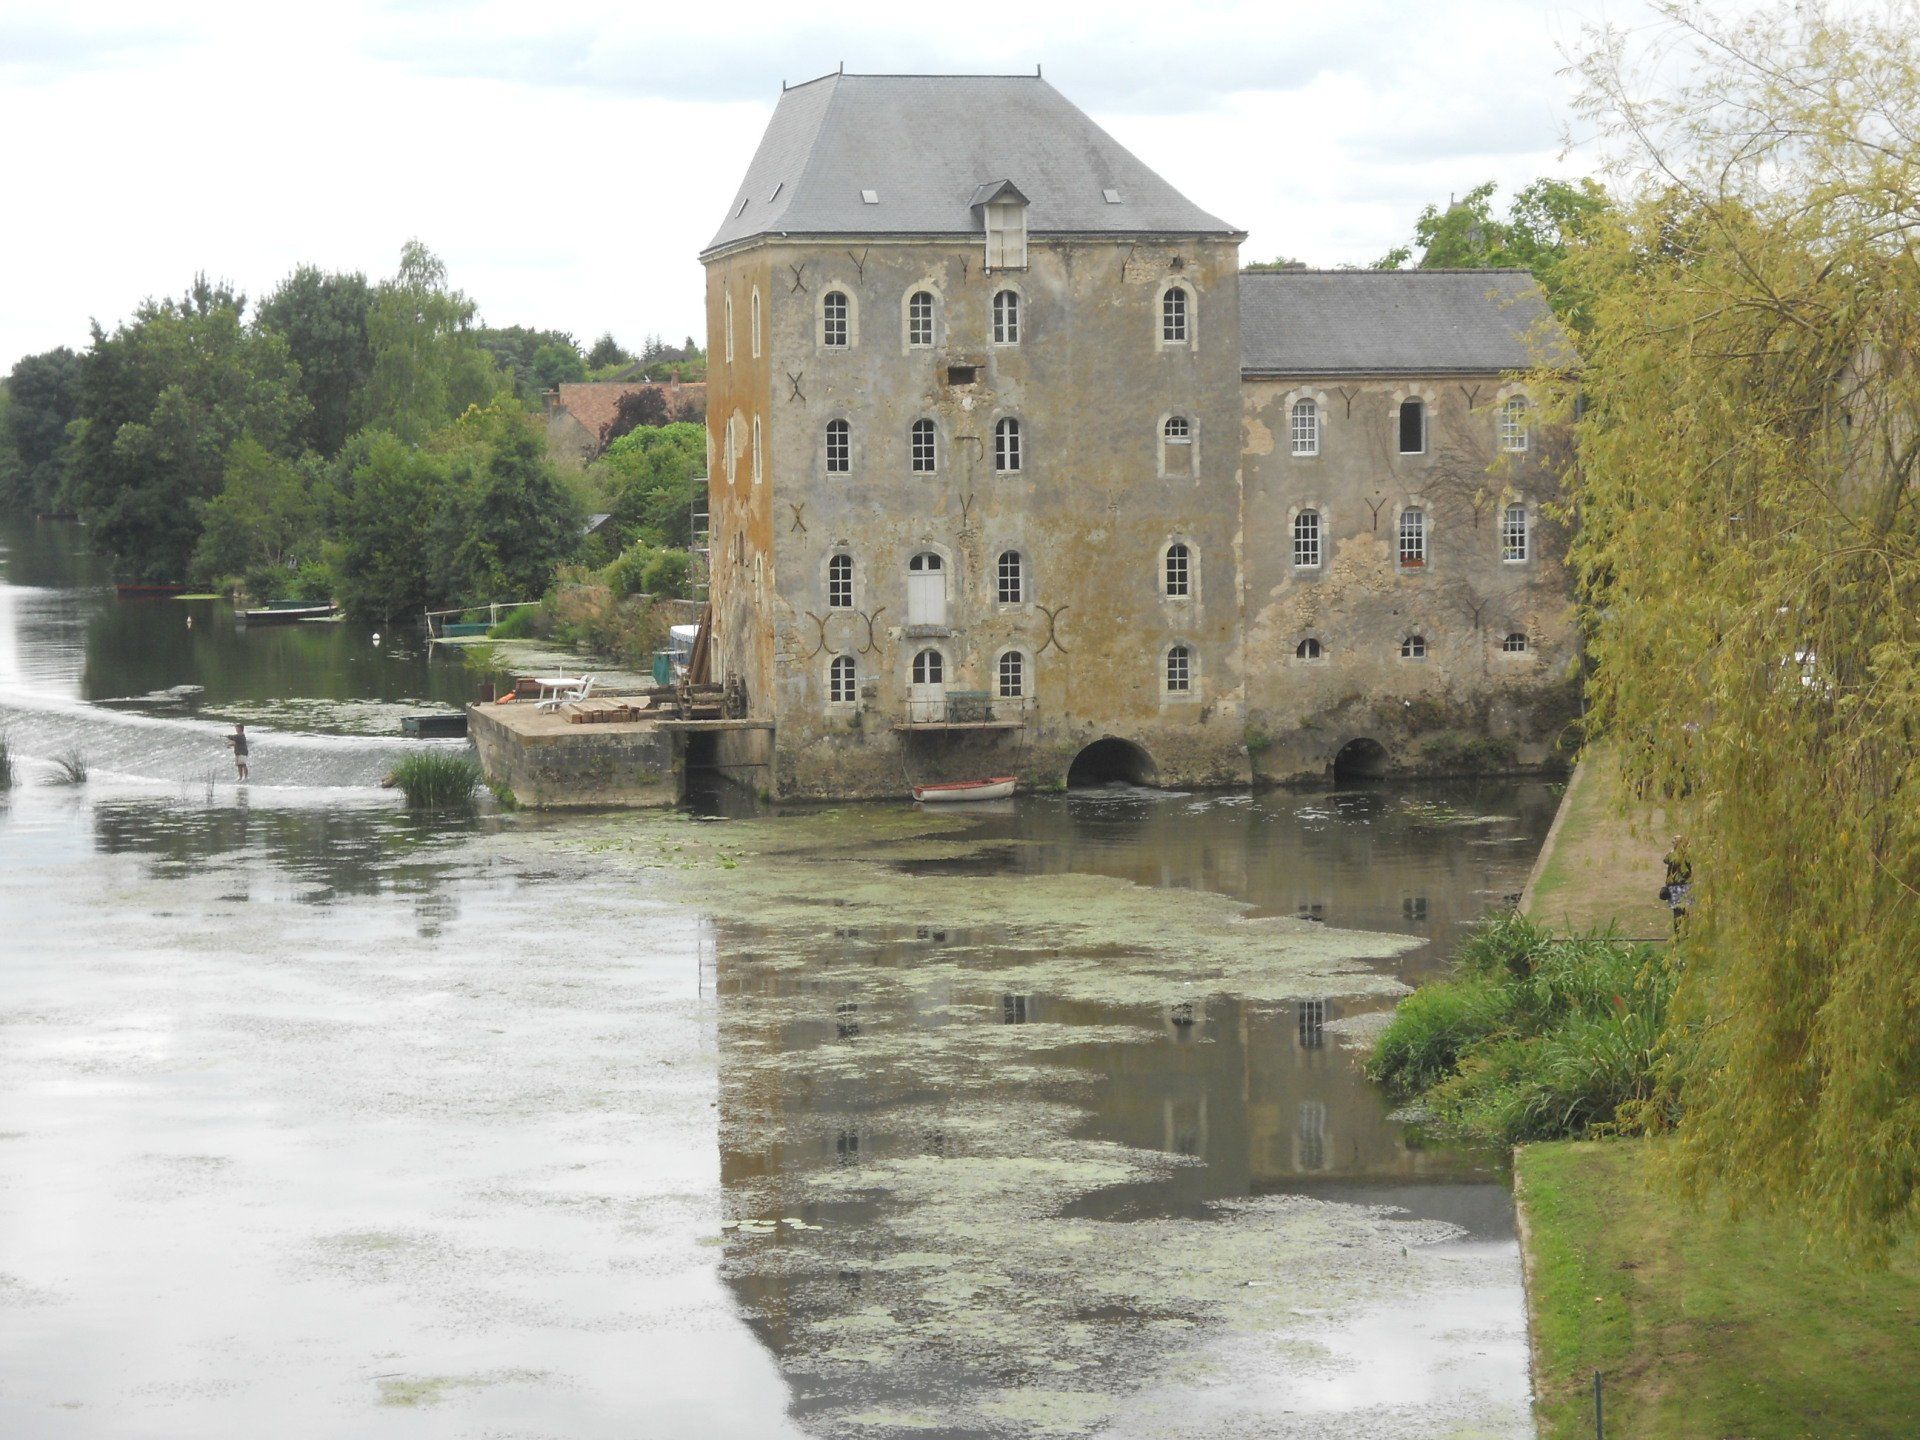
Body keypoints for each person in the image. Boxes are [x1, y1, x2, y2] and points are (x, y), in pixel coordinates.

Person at [1660, 835, 1692, 932]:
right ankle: (1685, 933)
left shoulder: (1673, 854)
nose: (1672, 841)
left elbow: (1666, 860)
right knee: (1685, 911)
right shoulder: (1687, 854)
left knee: (1678, 912)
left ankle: (1678, 933)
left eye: (1675, 840)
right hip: (1685, 886)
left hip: (1676, 887)